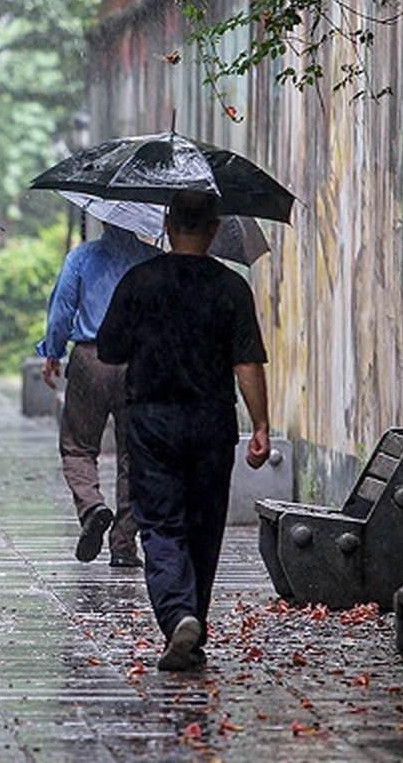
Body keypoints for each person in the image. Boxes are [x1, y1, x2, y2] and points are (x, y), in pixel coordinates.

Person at [97, 190, 271, 672]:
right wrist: (260, 424)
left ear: (168, 225)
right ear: (214, 231)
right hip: (213, 421)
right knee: (204, 524)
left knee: (160, 523)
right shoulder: (231, 287)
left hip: (152, 420)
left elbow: (109, 351)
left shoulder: (140, 281)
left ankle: (179, 616)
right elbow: (248, 363)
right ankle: (192, 623)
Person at [37, 223, 160, 567]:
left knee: (78, 445)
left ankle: (92, 506)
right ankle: (123, 544)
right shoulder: (153, 260)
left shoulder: (82, 257)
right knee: (135, 453)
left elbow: (62, 310)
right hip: (139, 362)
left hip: (91, 358)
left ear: (105, 218)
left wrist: (52, 352)